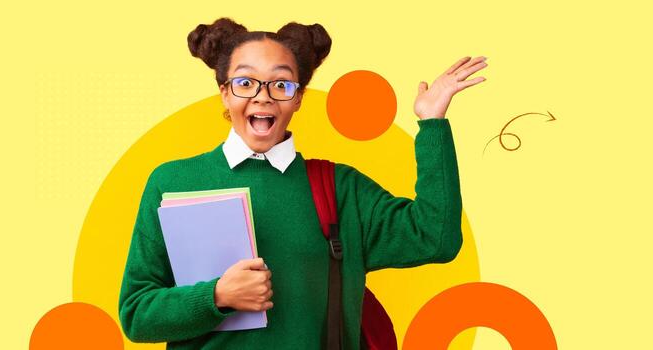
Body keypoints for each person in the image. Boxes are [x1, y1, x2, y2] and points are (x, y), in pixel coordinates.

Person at [117, 17, 487, 349]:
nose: (263, 95)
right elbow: (136, 316)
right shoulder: (172, 182)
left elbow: (436, 237)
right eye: (245, 82)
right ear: (225, 92)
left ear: (298, 99)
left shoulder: (340, 189)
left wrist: (432, 123)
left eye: (281, 83)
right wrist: (215, 296)